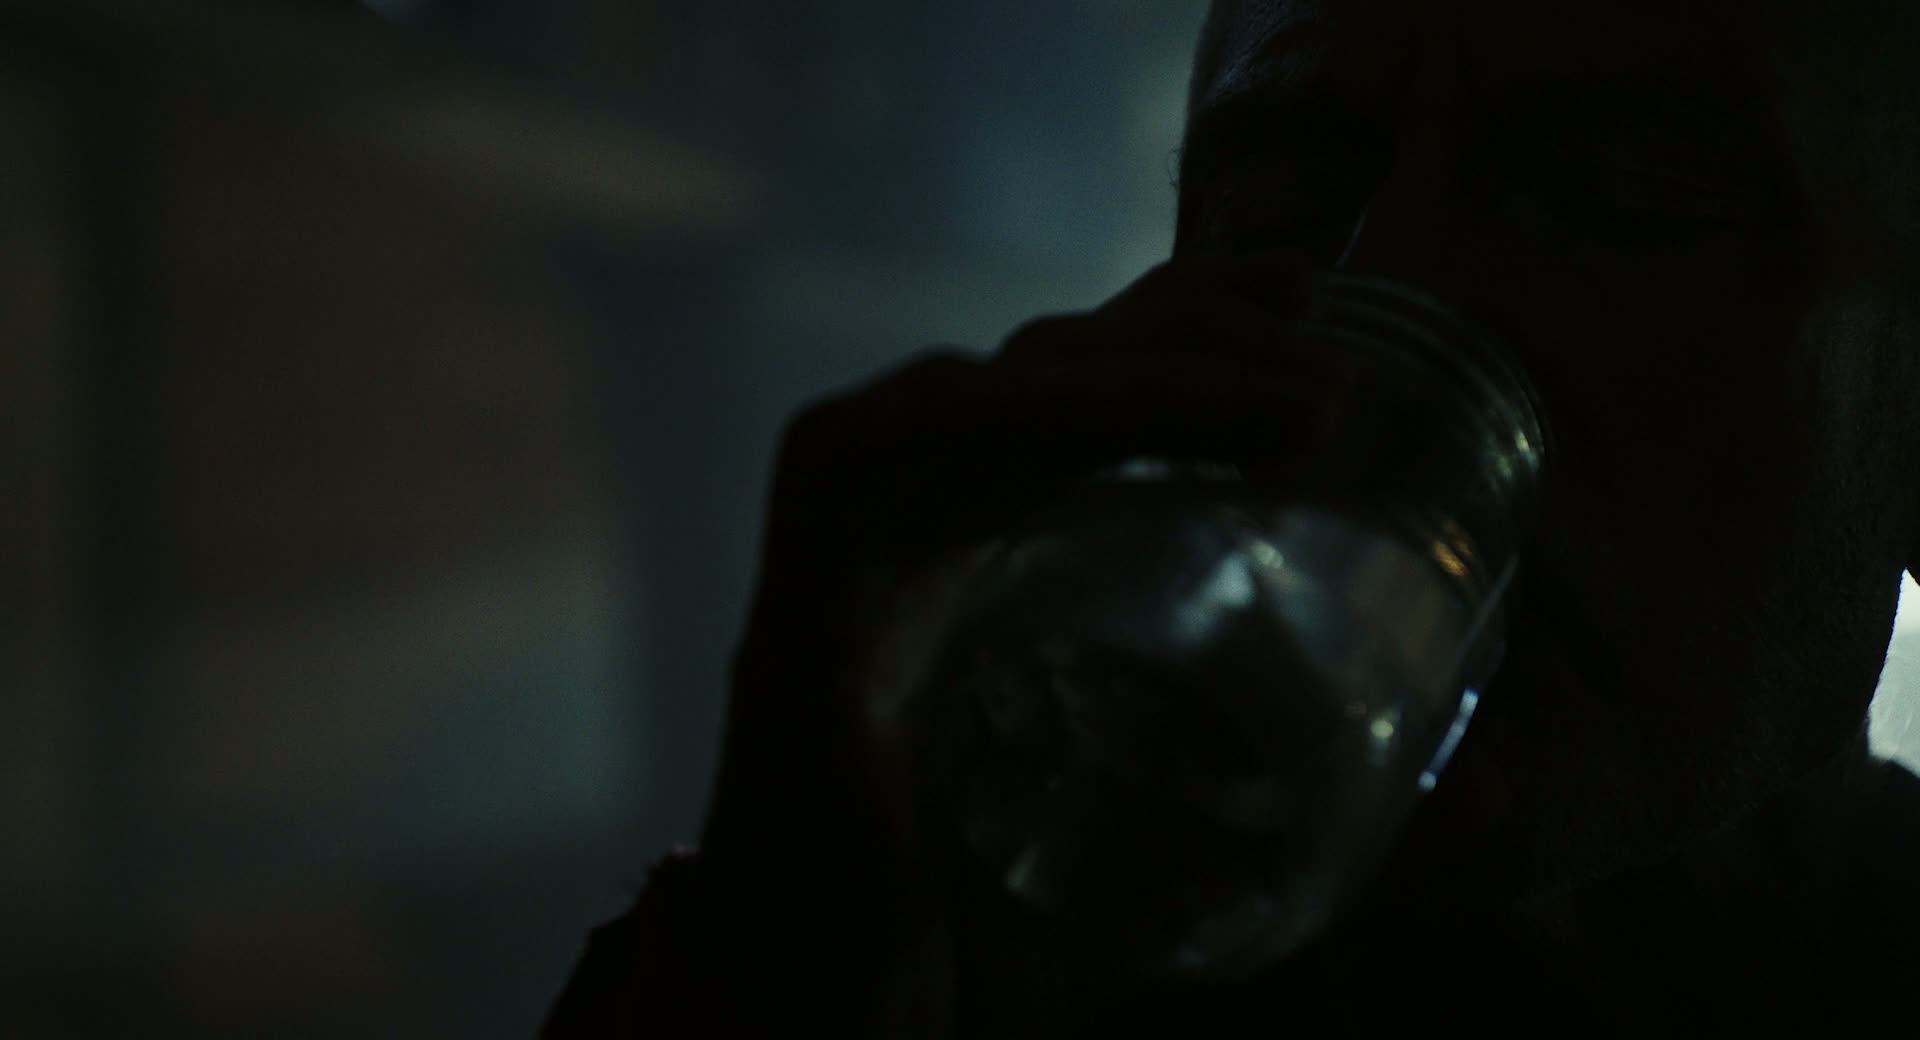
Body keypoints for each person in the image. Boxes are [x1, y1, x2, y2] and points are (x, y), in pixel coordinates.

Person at [544, 0, 1920, 1034]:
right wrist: (781, 970)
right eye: (1280, 209)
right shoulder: (986, 955)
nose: (1390, 297)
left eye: (1624, 201)